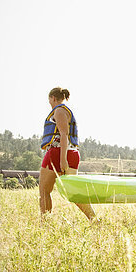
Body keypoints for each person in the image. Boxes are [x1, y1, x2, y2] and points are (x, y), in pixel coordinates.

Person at [39, 87, 95, 219]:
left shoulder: (59, 110)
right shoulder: (66, 111)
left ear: (53, 98)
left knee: (44, 191)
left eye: (49, 100)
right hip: (72, 153)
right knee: (72, 192)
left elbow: (63, 134)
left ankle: (44, 223)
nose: (50, 103)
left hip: (57, 153)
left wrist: (62, 159)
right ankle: (93, 218)